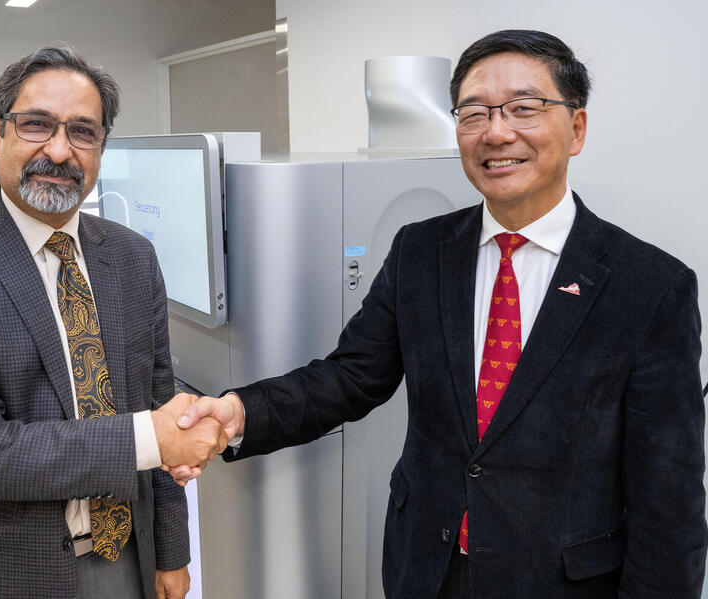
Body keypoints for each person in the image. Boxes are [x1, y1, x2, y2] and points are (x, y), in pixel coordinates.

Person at [174, 30, 707, 598]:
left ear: (576, 128)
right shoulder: (421, 251)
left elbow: (667, 501)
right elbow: (352, 376)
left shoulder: (649, 287)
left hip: (560, 582)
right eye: (473, 113)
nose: (497, 132)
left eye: (524, 109)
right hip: (426, 567)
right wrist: (237, 413)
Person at [0, 45, 227, 599]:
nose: (59, 150)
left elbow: (160, 407)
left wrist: (173, 551)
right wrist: (148, 439)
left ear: (102, 146)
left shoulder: (132, 256)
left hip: (124, 554)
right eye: (37, 125)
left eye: (83, 132)